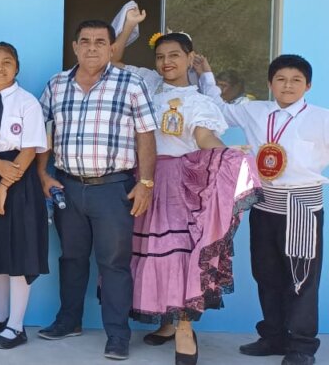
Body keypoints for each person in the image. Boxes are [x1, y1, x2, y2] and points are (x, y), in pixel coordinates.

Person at [114, 32, 262, 364]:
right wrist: (128, 27)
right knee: (152, 253)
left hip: (179, 183)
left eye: (174, 55)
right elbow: (112, 60)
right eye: (161, 56)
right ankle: (167, 323)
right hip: (143, 178)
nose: (167, 62)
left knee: (182, 255)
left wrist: (225, 154)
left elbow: (203, 135)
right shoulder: (146, 87)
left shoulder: (199, 101)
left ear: (189, 57)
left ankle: (184, 328)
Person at [36, 19, 157, 361]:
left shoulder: (130, 83)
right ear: (75, 46)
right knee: (71, 258)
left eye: (99, 42)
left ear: (110, 47)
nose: (92, 47)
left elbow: (145, 135)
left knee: (114, 264)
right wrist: (43, 176)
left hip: (113, 189)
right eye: (85, 41)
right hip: (68, 187)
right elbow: (43, 134)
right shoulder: (57, 84)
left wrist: (146, 182)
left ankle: (117, 335)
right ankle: (68, 321)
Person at [205, 54, 328, 365]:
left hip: (302, 205)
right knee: (266, 274)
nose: (288, 85)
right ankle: (273, 336)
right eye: (281, 79)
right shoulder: (254, 111)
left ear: (308, 85)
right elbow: (220, 110)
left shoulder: (321, 118)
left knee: (300, 277)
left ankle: (301, 346)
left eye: (296, 80)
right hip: (264, 203)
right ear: (271, 83)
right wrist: (207, 75)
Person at [0, 42, 50, 350]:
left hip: (19, 178)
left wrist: (4, 186)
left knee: (18, 251)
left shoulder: (27, 102)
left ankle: (16, 326)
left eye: (7, 62)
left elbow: (30, 148)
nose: (0, 68)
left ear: (16, 67)